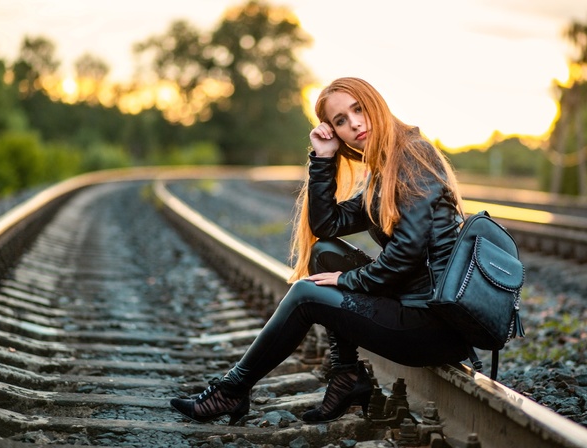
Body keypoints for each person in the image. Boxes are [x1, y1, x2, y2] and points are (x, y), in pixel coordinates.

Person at [170, 77, 470, 425]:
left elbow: (408, 252)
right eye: (340, 120)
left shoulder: (413, 155)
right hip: (415, 308)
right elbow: (327, 226)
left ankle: (232, 390)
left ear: (376, 104)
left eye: (358, 109)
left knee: (306, 295)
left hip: (434, 325)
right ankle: (346, 376)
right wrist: (323, 158)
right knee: (324, 252)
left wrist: (349, 278)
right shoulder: (384, 168)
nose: (354, 123)